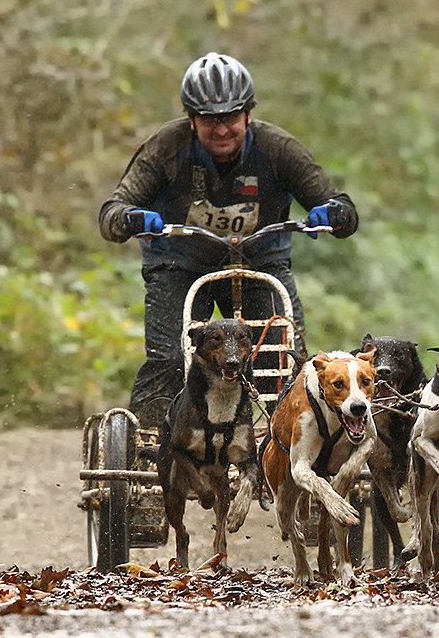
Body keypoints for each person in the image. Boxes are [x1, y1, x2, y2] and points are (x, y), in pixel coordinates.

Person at [98, 52, 359, 427]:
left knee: (281, 357)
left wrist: (334, 213)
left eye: (230, 118)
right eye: (209, 120)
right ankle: (152, 441)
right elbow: (111, 214)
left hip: (261, 263)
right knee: (170, 358)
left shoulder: (277, 149)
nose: (221, 130)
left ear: (248, 115)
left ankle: (284, 439)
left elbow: (343, 210)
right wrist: (129, 218)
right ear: (192, 120)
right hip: (180, 265)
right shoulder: (167, 148)